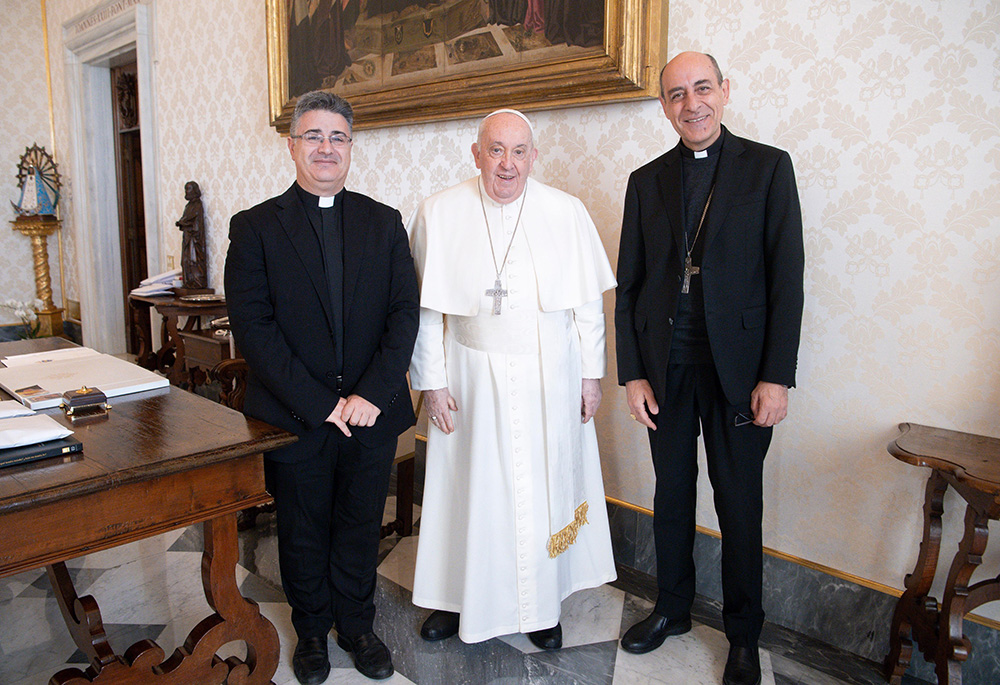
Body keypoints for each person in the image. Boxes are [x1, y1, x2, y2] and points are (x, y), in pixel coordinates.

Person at [614, 52, 804, 685]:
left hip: (741, 374)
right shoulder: (645, 181)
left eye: (702, 88)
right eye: (676, 94)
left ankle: (743, 635)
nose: (691, 103)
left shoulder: (769, 168)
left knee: (738, 503)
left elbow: (788, 280)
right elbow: (631, 285)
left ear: (725, 91)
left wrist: (776, 376)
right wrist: (633, 374)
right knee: (671, 497)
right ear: (664, 105)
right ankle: (672, 609)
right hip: (666, 371)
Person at [225, 90, 419, 683]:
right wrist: (322, 403)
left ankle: (357, 626)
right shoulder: (255, 227)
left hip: (370, 412)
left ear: (351, 147)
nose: (326, 148)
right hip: (295, 414)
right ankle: (311, 631)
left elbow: (402, 316)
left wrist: (369, 395)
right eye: (314, 136)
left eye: (338, 137)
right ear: (292, 147)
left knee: (361, 522)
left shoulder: (384, 222)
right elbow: (254, 330)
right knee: (302, 525)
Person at [407, 109, 617, 648]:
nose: (507, 163)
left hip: (550, 377)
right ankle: (455, 600)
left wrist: (591, 377)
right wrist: (431, 381)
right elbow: (425, 311)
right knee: (468, 491)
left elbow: (588, 307)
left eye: (518, 151)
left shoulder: (565, 212)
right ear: (476, 154)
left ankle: (541, 608)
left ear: (534, 156)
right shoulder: (439, 212)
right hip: (469, 376)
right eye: (495, 150)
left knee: (543, 488)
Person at [176, 180, 207, 290]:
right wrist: (182, 222)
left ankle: (197, 282)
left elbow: (194, 221)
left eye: (188, 189)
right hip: (187, 238)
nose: (186, 192)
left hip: (194, 238)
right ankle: (189, 282)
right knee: (186, 261)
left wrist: (183, 223)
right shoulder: (188, 205)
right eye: (186, 189)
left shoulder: (197, 205)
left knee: (194, 261)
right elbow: (186, 218)